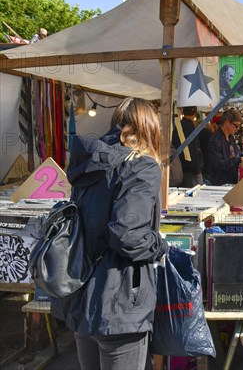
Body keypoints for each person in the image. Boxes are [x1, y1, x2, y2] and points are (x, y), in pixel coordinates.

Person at [52, 97, 169, 369]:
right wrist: (160, 246)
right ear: (150, 128)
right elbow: (127, 234)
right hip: (120, 301)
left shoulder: (91, 159)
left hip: (81, 293)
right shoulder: (141, 165)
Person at [206, 109, 243, 185]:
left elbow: (236, 153)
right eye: (236, 126)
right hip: (220, 183)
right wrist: (239, 160)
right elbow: (219, 165)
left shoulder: (230, 137)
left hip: (231, 181)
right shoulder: (215, 140)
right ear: (227, 122)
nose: (238, 128)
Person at [172, 106, 203, 187]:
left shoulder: (178, 126)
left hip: (178, 165)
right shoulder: (190, 127)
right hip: (189, 168)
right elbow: (193, 149)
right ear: (195, 114)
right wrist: (197, 170)